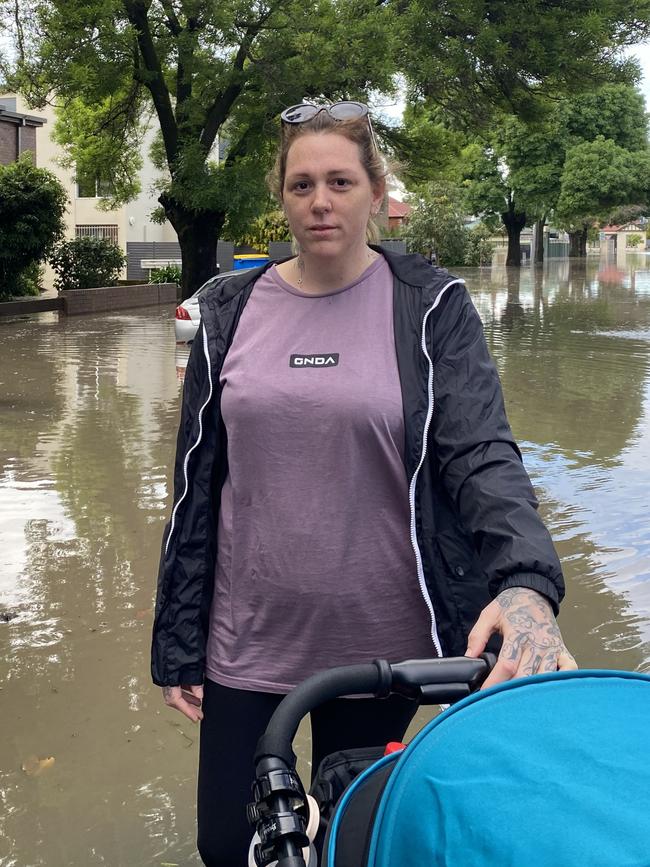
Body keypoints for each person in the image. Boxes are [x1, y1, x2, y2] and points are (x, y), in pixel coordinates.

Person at [151, 101, 576, 866]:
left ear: (375, 191)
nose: (321, 201)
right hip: (246, 640)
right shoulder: (226, 309)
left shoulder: (431, 307)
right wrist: (178, 644)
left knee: (355, 838)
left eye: (341, 181)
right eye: (303, 183)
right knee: (229, 843)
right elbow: (193, 485)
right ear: (279, 194)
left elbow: (483, 459)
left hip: (383, 648)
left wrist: (526, 586)